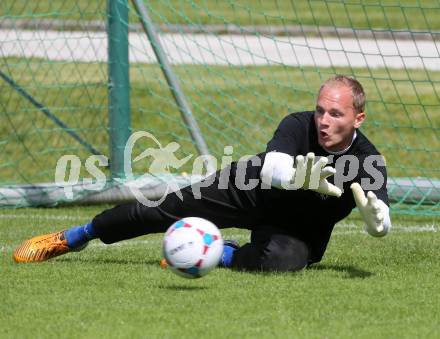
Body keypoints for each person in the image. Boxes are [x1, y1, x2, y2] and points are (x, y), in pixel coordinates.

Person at [13, 75, 391, 272]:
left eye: (335, 114)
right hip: (251, 189)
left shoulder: (368, 162)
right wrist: (296, 176)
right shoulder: (297, 124)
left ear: (358, 118)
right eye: (320, 110)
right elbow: (274, 165)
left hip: (296, 229)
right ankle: (76, 236)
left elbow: (381, 217)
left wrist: (378, 222)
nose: (323, 121)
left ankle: (221, 254)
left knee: (281, 264)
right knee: (157, 210)